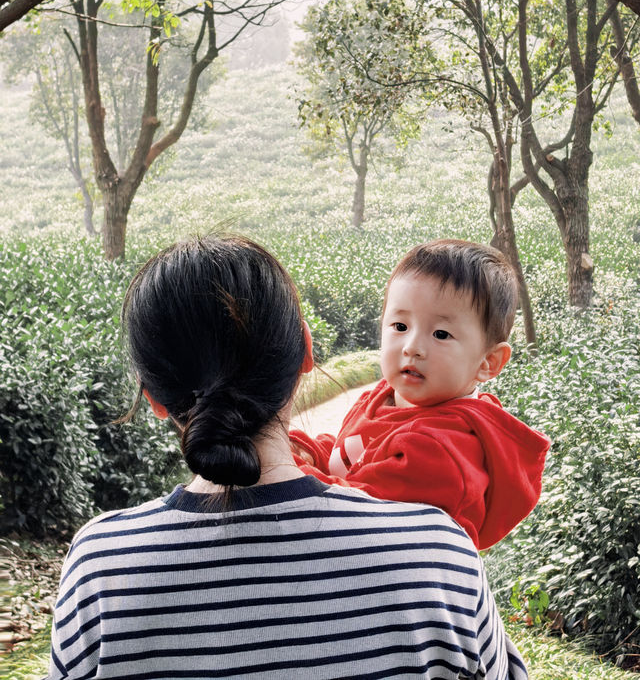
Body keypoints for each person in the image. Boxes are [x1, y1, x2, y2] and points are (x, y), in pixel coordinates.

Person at [47, 234, 528, 679]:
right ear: (304, 350)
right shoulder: (440, 553)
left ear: (152, 396)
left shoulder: (100, 567)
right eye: (399, 325)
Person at [291, 239, 550, 550]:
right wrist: (301, 448)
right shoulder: (385, 398)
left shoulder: (440, 450)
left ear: (487, 362)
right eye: (400, 325)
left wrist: (288, 469)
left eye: (441, 334)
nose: (412, 346)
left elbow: (349, 510)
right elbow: (348, 458)